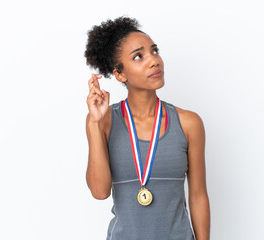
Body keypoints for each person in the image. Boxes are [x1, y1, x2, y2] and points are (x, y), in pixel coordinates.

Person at [84, 16, 210, 240]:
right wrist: (94, 122)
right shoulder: (103, 121)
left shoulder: (189, 123)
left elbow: (198, 195)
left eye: (155, 51)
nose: (154, 61)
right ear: (120, 73)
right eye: (139, 56)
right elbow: (100, 191)